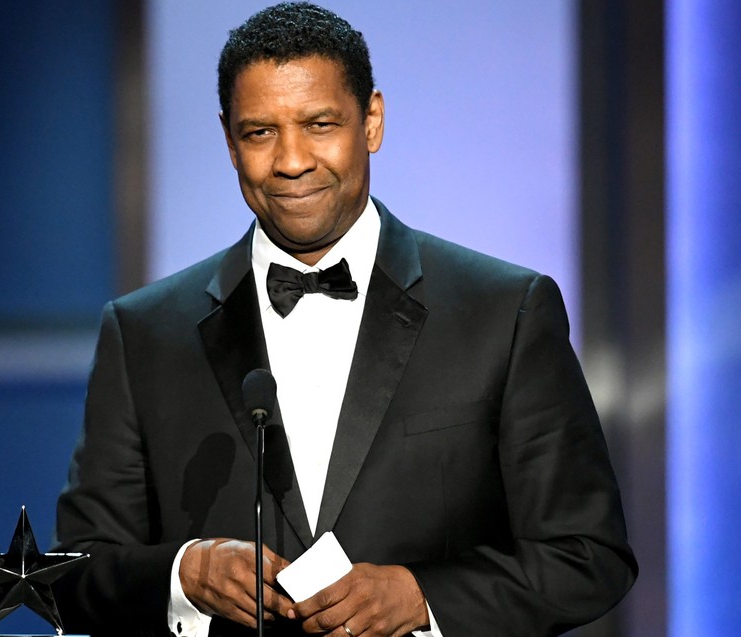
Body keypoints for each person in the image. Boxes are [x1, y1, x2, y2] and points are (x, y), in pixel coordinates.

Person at [51, 3, 637, 636]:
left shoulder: (505, 311)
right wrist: (183, 575)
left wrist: (422, 598)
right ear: (229, 141)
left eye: (319, 123)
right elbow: (74, 574)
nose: (292, 159)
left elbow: (588, 555)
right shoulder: (145, 334)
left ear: (372, 121)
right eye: (260, 132)